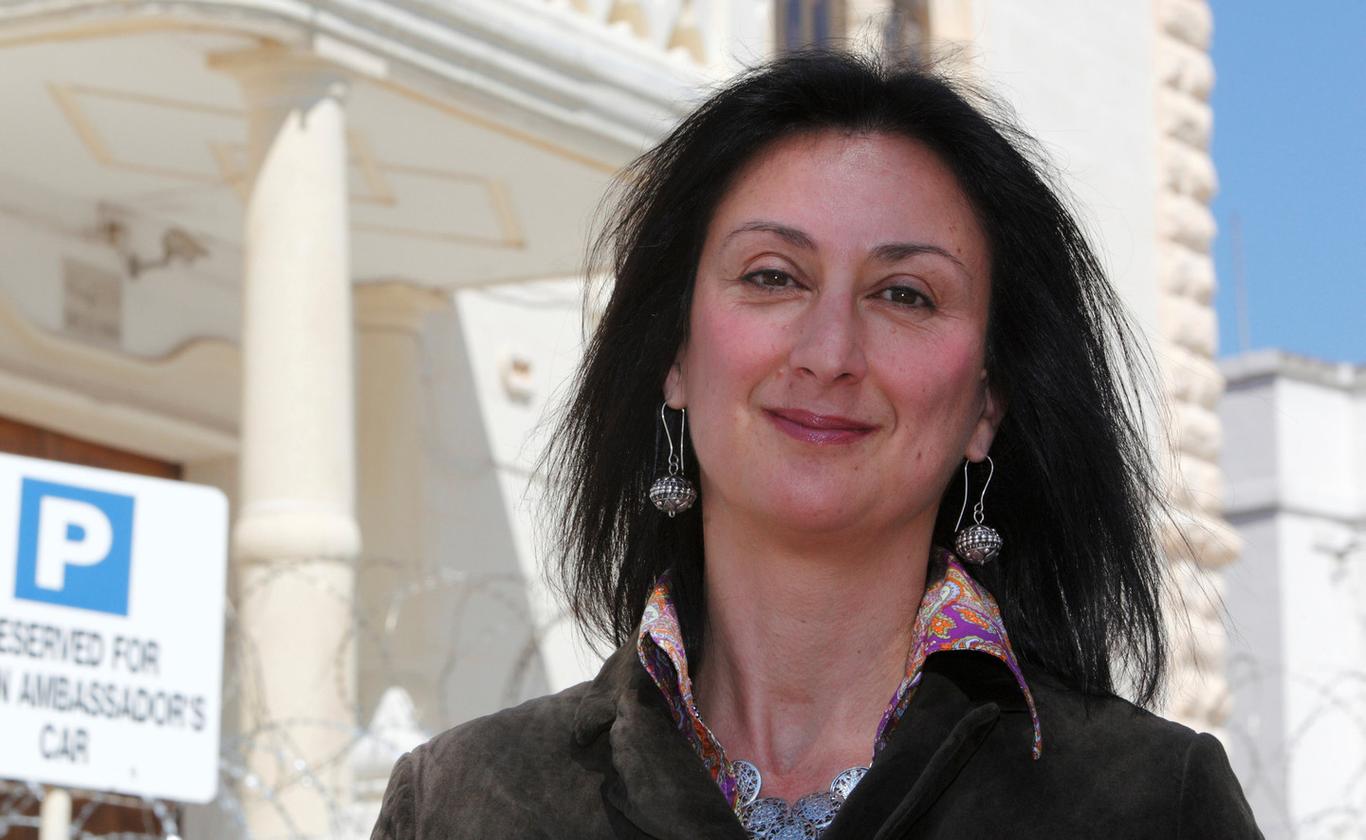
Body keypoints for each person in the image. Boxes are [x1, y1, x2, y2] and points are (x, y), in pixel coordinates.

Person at [370, 50, 1262, 839]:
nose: (829, 353)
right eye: (773, 277)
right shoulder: (465, 806)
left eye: (906, 294)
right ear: (676, 355)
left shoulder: (1150, 805)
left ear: (987, 403)